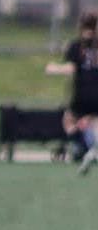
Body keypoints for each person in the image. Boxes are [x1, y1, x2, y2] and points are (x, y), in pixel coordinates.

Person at [46, 12, 98, 169]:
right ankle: (91, 148)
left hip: (81, 94)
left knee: (68, 121)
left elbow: (70, 69)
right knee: (94, 123)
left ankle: (81, 147)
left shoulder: (76, 45)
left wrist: (53, 68)